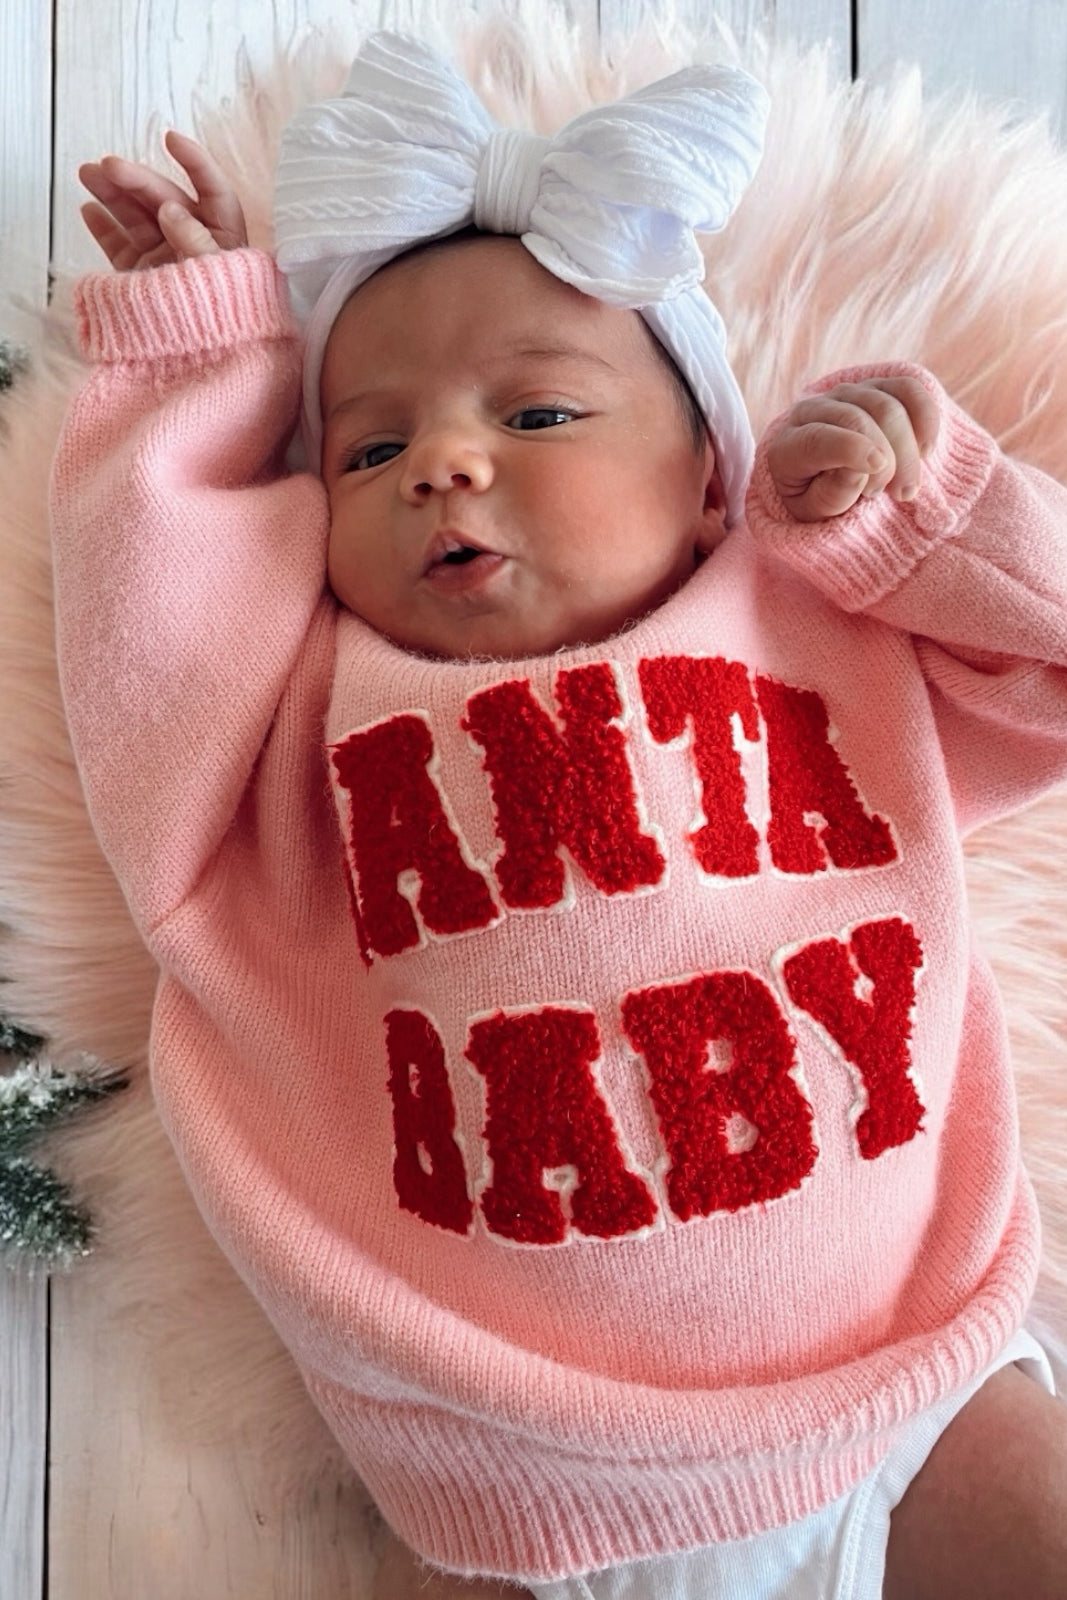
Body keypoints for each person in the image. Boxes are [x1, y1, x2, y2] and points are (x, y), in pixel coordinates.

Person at [53, 31, 1067, 1600]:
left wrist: (914, 517)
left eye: (538, 419)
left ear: (710, 476)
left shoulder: (809, 621)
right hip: (508, 1481)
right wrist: (199, 364)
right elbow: (151, 632)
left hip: (910, 1397)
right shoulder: (295, 718)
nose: (444, 464)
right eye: (372, 447)